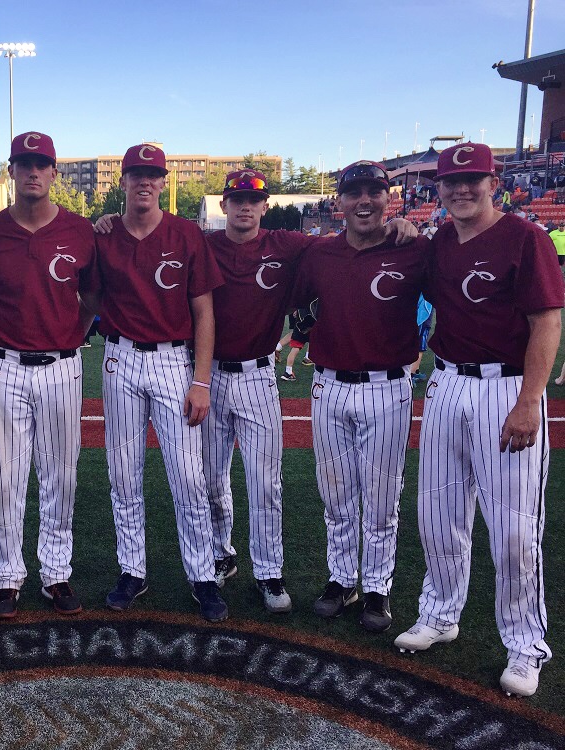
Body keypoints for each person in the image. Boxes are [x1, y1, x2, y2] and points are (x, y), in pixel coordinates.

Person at [394, 143, 563, 698]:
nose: (462, 189)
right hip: (446, 383)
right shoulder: (439, 240)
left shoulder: (525, 237)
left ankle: (525, 643)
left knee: (514, 527)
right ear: (437, 189)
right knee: (439, 513)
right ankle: (441, 613)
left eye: (473, 179)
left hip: (507, 387)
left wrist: (528, 400)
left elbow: (546, 323)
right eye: (451, 181)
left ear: (495, 181)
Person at [0, 132, 97, 619]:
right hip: (5, 365)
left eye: (42, 164)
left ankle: (57, 572)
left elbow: (94, 302)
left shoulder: (82, 231)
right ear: (12, 171)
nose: (33, 171)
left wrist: (73, 337)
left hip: (61, 365)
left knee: (61, 474)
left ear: (54, 173)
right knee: (5, 477)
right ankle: (6, 575)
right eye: (24, 163)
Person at [90, 143, 228, 622]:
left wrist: (202, 380)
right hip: (120, 359)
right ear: (123, 181)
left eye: (153, 174)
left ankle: (203, 574)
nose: (144, 182)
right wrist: (96, 225)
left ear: (163, 181)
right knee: (124, 473)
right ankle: (133, 569)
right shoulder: (103, 235)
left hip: (173, 362)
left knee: (188, 476)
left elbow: (204, 312)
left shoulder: (187, 234)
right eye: (136, 174)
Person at [293, 160, 430, 633]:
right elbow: (294, 298)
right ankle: (340, 578)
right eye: (355, 193)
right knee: (336, 494)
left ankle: (376, 586)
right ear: (339, 202)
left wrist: (409, 227)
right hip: (329, 385)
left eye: (375, 191)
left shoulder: (414, 250)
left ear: (390, 199)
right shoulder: (319, 255)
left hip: (388, 386)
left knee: (381, 495)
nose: (365, 201)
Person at [200, 170, 313, 612]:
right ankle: (219, 555)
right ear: (224, 204)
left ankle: (269, 572)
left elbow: (346, 246)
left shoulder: (286, 244)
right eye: (236, 198)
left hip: (258, 377)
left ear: (265, 205)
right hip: (208, 375)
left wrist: (395, 226)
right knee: (210, 479)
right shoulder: (204, 244)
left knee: (265, 484)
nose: (245, 206)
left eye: (254, 199)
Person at [410, 294, 434, 384]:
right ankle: (412, 373)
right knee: (420, 342)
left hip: (420, 307)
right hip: (423, 309)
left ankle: (415, 370)